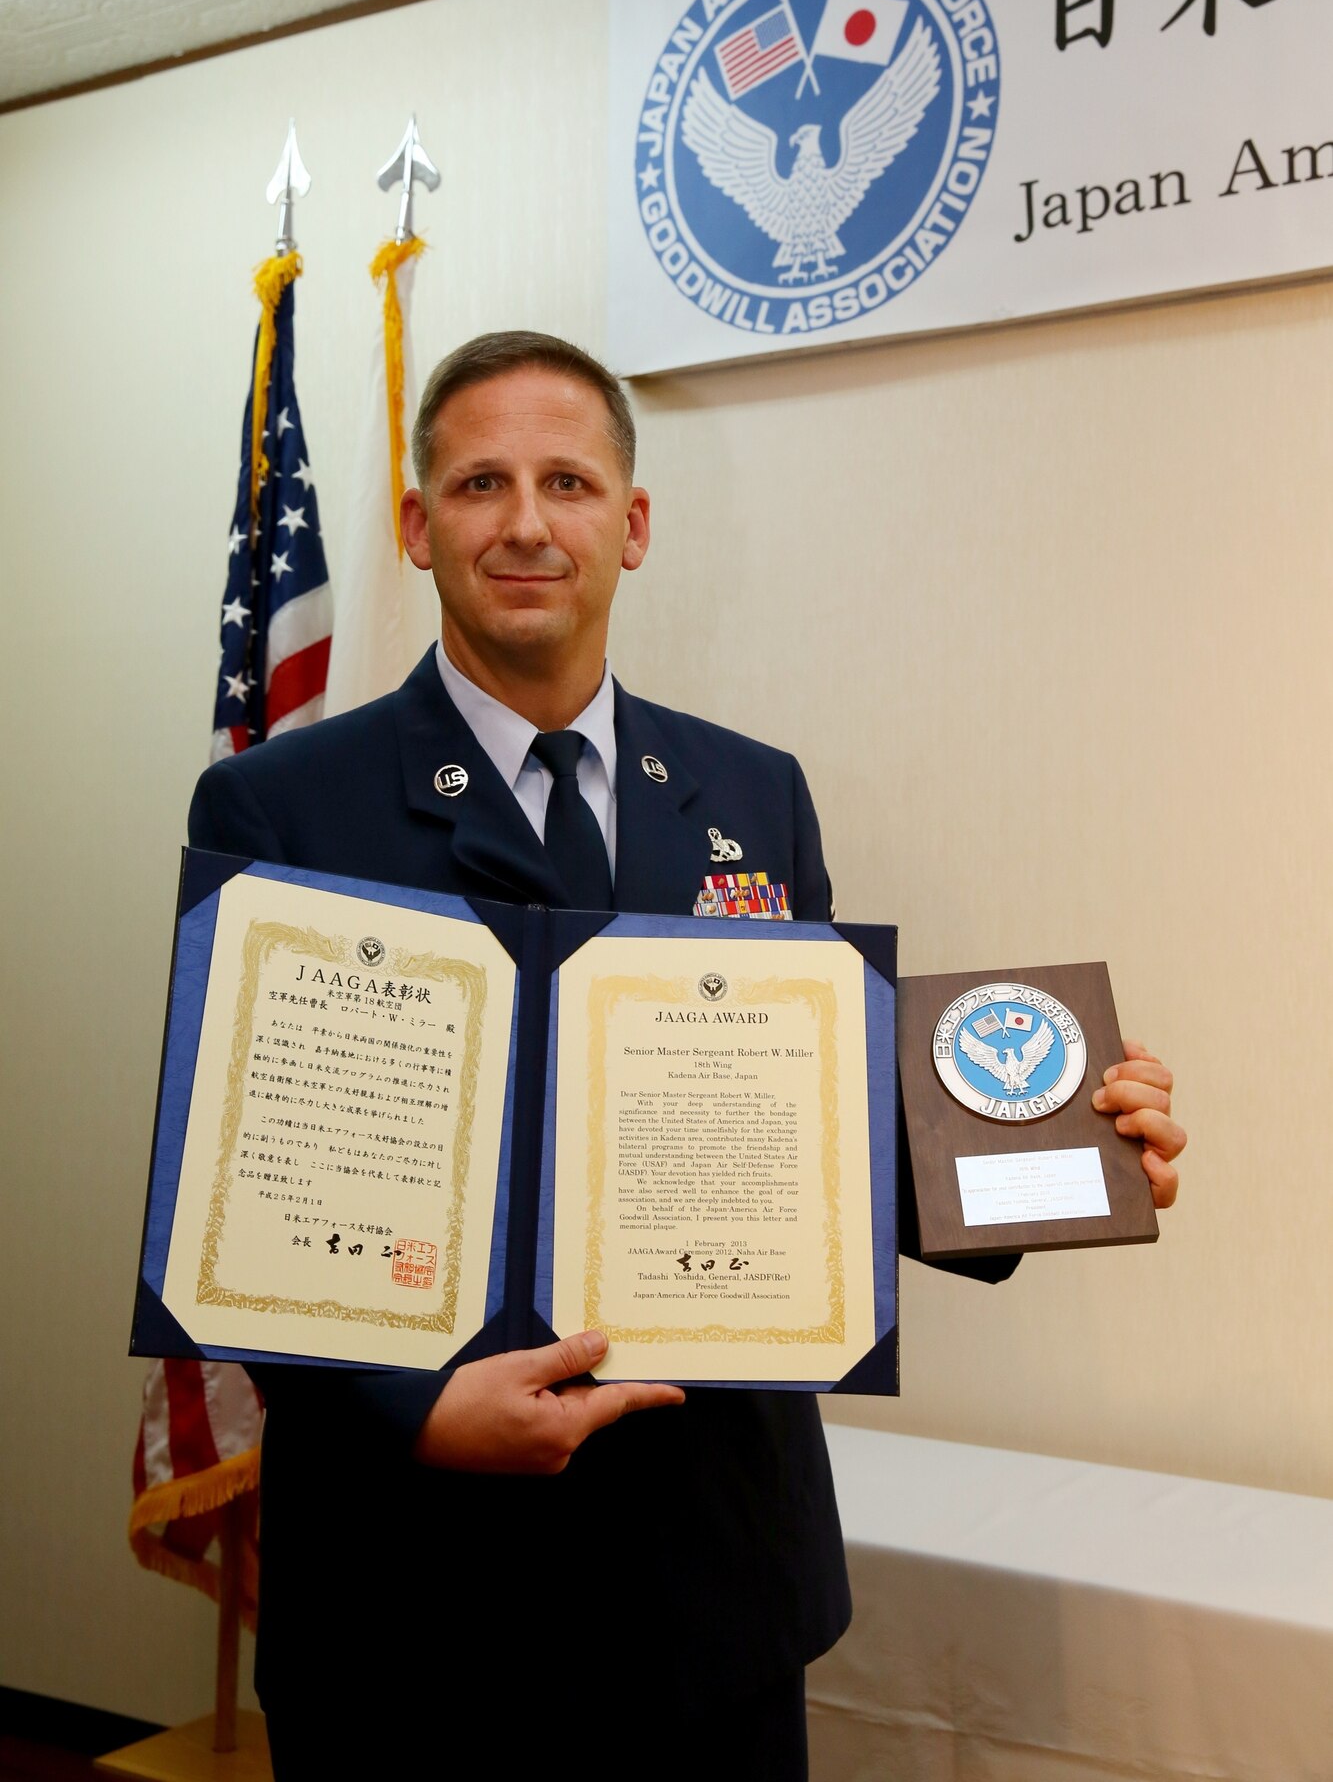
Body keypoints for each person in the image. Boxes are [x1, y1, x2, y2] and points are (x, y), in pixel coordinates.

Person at [189, 331, 1185, 1778]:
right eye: (479, 483)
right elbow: (239, 1188)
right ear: (417, 527)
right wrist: (407, 1414)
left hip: (708, 1581)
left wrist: (1056, 1144)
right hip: (416, 1597)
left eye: (568, 482)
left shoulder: (749, 793)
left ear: (631, 525)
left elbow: (814, 1134)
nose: (527, 522)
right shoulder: (281, 805)